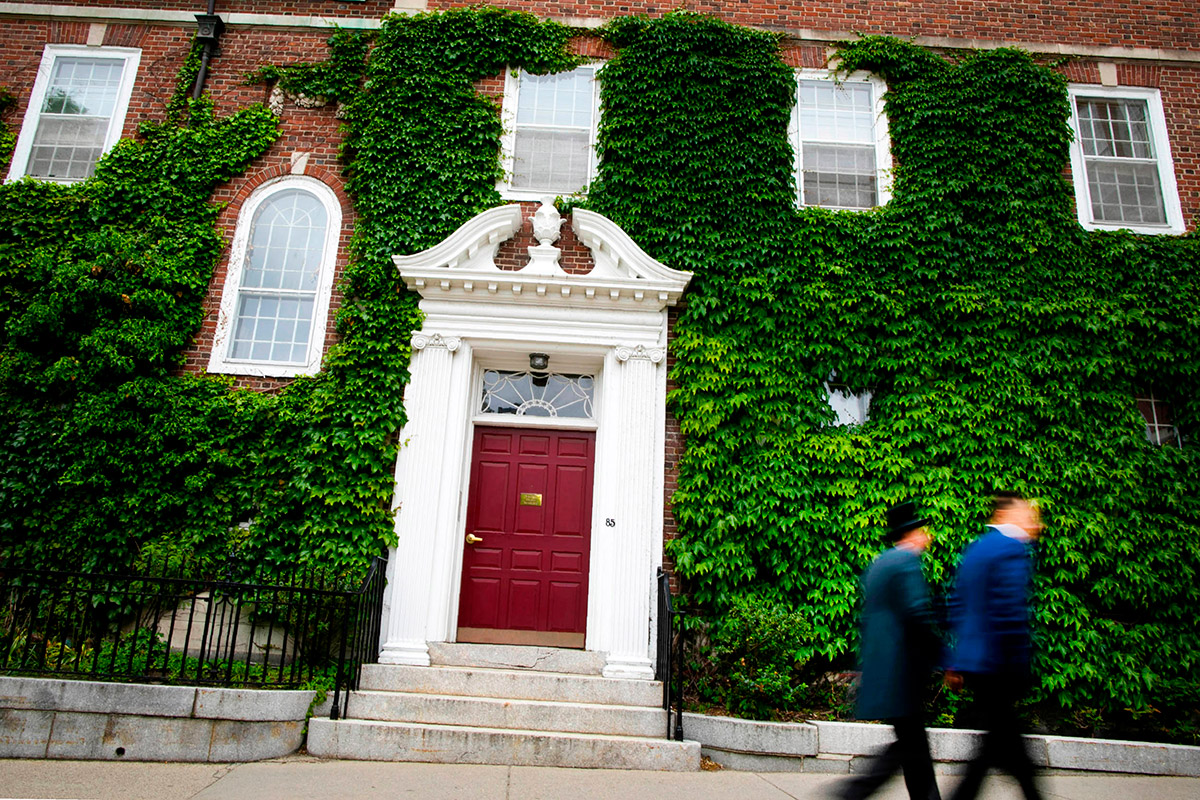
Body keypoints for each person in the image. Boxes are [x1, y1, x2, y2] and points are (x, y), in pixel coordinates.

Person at [835, 501, 942, 800]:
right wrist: (946, 658)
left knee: (912, 747)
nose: (927, 537)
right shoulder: (906, 562)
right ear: (910, 534)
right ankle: (849, 795)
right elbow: (918, 615)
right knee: (909, 747)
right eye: (923, 531)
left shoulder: (880, 563)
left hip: (887, 669)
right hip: (903, 671)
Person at [945, 492, 1044, 800]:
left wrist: (955, 661)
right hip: (999, 662)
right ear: (1006, 515)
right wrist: (1018, 662)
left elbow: (957, 606)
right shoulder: (1011, 549)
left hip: (976, 662)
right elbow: (1009, 610)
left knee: (997, 745)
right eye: (1027, 514)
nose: (1032, 521)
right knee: (1003, 743)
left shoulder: (974, 549)